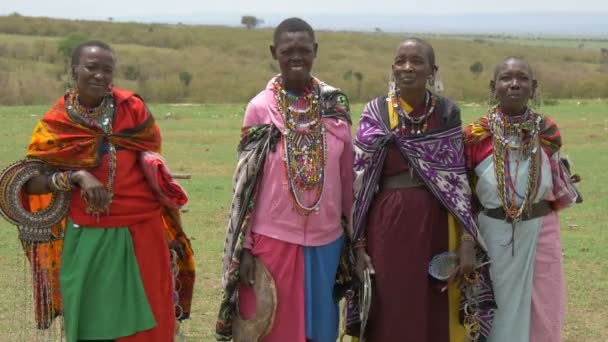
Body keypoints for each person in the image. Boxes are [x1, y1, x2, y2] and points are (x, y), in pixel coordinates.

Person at [17, 40, 195, 342]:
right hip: (88, 233)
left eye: (107, 70)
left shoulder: (133, 110)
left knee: (150, 325)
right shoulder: (57, 122)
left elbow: (151, 160)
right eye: (91, 67)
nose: (99, 75)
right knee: (90, 319)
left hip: (143, 231)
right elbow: (28, 181)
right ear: (74, 69)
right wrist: (76, 176)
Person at [347, 38, 495, 342]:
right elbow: (360, 187)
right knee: (391, 307)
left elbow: (457, 182)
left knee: (435, 305)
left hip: (437, 224)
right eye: (401, 61)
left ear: (432, 70)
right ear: (392, 68)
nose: (407, 67)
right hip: (386, 226)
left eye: (417, 61)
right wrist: (359, 246)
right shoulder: (376, 113)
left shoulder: (447, 112)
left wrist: (467, 239)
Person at [217, 18, 353, 342]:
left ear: (315, 51)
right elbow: (245, 188)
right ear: (274, 53)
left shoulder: (335, 105)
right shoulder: (260, 109)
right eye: (287, 50)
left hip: (327, 242)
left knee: (320, 333)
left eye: (304, 50)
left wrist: (355, 240)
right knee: (273, 331)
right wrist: (246, 248)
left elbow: (347, 178)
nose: (296, 57)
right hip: (271, 243)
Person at [464, 57, 579, 342]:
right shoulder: (475, 136)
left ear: (533, 87)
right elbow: (466, 194)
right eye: (506, 78)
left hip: (542, 229)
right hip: (492, 232)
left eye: (522, 78)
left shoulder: (548, 132)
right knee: (497, 309)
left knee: (545, 310)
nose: (514, 84)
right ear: (494, 86)